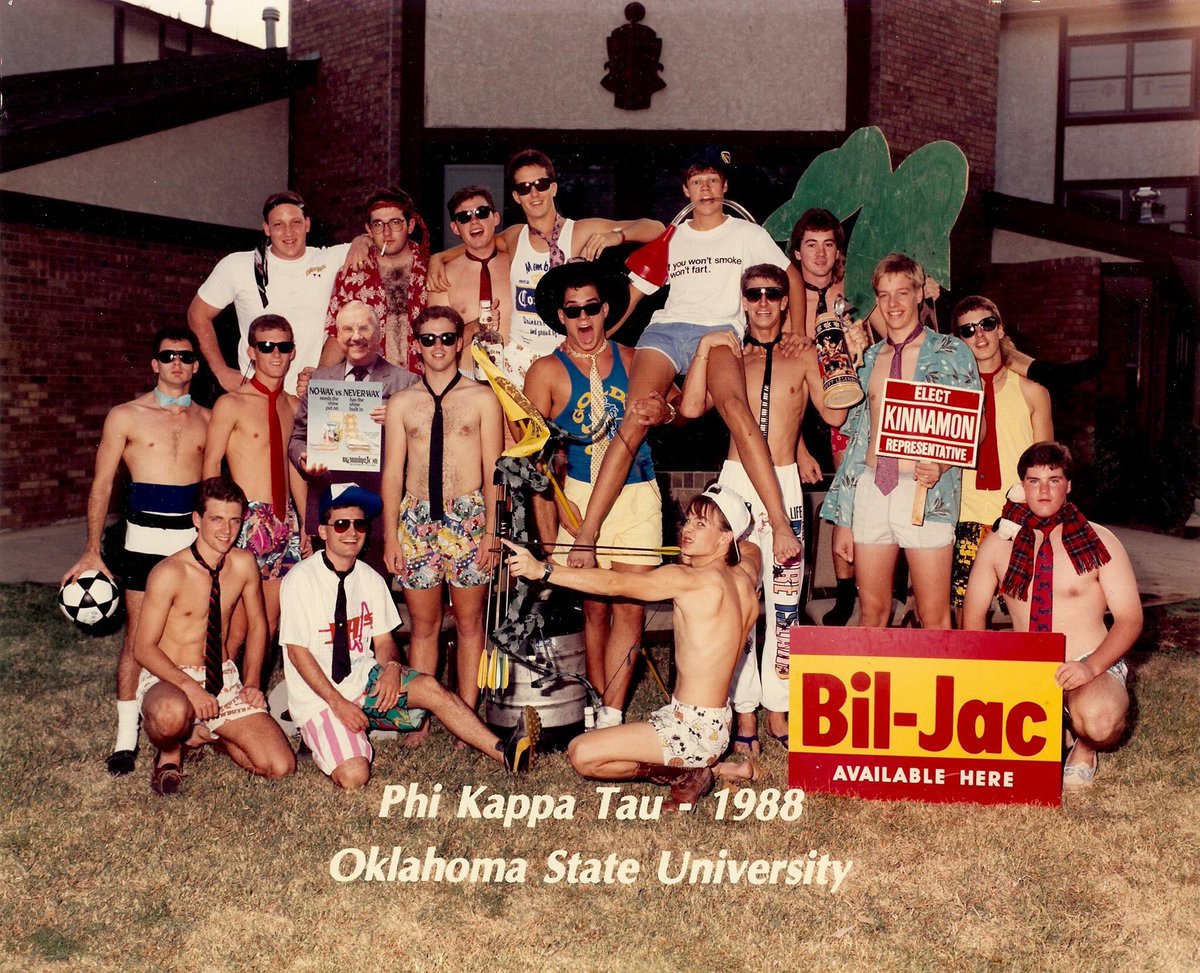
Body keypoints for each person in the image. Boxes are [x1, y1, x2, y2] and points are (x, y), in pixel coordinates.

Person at [569, 150, 802, 574]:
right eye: (697, 182)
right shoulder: (672, 237)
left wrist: (796, 334)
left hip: (717, 334)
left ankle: (781, 522)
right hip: (667, 330)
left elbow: (792, 279)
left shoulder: (747, 234)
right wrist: (593, 336)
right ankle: (587, 534)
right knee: (635, 418)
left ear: (725, 186)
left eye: (713, 180)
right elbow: (632, 298)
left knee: (735, 407)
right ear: (686, 190)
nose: (707, 189)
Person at [503, 486, 761, 810]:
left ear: (725, 538)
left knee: (582, 754)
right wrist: (718, 548)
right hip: (719, 725)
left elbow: (615, 584)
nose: (688, 529)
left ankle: (687, 774)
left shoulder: (689, 580)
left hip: (691, 729)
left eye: (702, 525)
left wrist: (544, 570)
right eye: (690, 520)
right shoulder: (745, 576)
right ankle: (714, 767)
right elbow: (752, 549)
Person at [678, 264, 848, 751]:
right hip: (734, 487)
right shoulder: (732, 355)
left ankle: (780, 707)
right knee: (737, 602)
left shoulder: (801, 354)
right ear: (744, 300)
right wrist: (706, 348)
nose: (765, 302)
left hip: (785, 484)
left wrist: (832, 352)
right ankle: (745, 712)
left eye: (774, 293)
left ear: (785, 301)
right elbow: (690, 409)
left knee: (786, 606)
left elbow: (836, 411)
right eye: (755, 294)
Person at [281, 483, 540, 789]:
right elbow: (298, 653)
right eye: (341, 524)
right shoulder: (301, 579)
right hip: (322, 700)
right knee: (354, 776)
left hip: (363, 681)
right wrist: (339, 704)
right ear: (323, 531)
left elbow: (386, 642)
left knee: (430, 686)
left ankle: (508, 753)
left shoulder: (370, 578)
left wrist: (391, 668)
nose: (351, 532)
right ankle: (319, 740)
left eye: (359, 524)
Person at [523, 261, 665, 729]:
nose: (584, 319)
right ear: (560, 316)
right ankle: (598, 704)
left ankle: (612, 712)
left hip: (637, 492)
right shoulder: (544, 371)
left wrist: (665, 412)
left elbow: (680, 407)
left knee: (631, 604)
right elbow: (532, 458)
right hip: (578, 498)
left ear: (605, 310)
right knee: (595, 609)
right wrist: (559, 516)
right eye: (572, 311)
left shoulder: (635, 358)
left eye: (591, 308)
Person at [62, 328, 210, 776]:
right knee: (137, 639)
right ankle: (127, 739)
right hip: (143, 541)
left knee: (193, 634)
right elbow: (102, 485)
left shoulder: (207, 417)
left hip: (190, 544)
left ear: (197, 366)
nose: (176, 364)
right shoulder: (125, 416)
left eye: (185, 357)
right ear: (154, 364)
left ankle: (193, 725)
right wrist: (91, 550)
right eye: (167, 356)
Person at [963, 442, 1141, 790]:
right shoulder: (998, 544)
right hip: (1024, 663)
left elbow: (1130, 619)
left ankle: (1084, 746)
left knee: (1101, 720)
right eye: (1034, 481)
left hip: (1088, 662)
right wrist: (987, 672)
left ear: (1068, 485)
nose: (1044, 490)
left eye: (1054, 480)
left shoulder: (1099, 540)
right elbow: (973, 618)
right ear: (1021, 485)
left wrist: (1090, 667)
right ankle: (1053, 728)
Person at [820, 253, 980, 631]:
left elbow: (976, 427)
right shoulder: (870, 357)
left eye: (902, 292)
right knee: (872, 613)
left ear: (920, 293)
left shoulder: (952, 352)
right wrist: (846, 518)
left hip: (926, 494)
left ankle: (930, 691)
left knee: (933, 616)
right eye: (884, 294)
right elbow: (853, 441)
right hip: (873, 492)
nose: (893, 304)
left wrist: (941, 464)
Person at [428, 148, 664, 385]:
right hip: (518, 361)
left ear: (553, 187)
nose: (533, 193)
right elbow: (479, 244)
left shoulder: (578, 231)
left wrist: (619, 236)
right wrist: (438, 258)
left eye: (541, 184)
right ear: (516, 196)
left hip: (566, 356)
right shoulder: (514, 236)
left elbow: (655, 228)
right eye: (524, 187)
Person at [133, 477, 296, 796]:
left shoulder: (244, 563)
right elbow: (143, 647)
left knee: (280, 767)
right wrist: (190, 689)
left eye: (234, 520)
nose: (226, 530)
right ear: (197, 519)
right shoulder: (169, 572)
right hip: (170, 677)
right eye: (216, 519)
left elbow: (259, 625)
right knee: (170, 716)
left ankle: (205, 735)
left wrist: (251, 683)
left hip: (222, 677)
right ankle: (170, 752)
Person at [381, 307, 502, 725]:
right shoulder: (402, 403)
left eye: (447, 338)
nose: (438, 347)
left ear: (460, 342)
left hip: (468, 517)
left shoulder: (483, 398)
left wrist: (491, 530)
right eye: (429, 339)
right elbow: (392, 472)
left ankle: (465, 713)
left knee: (470, 624)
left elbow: (494, 471)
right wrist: (392, 536)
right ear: (417, 345)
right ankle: (420, 716)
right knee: (423, 624)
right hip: (415, 518)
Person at [188, 190, 364, 395]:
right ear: (266, 229)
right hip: (256, 396)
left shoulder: (329, 259)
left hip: (309, 395)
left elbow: (377, 239)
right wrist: (221, 371)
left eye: (296, 222)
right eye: (278, 224)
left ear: (307, 224)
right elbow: (197, 314)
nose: (288, 232)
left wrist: (361, 240)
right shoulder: (237, 265)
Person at [289, 301, 419, 575]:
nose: (356, 336)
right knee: (326, 594)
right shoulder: (321, 382)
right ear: (337, 336)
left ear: (379, 333)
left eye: (364, 328)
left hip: (380, 507)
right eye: (347, 329)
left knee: (371, 593)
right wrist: (303, 457)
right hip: (328, 503)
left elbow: (423, 444)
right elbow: (298, 437)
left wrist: (398, 422)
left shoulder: (406, 383)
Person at [204, 315, 307, 649]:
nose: (275, 354)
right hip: (246, 520)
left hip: (284, 521)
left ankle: (250, 691)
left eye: (283, 346)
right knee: (236, 625)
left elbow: (294, 469)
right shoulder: (231, 403)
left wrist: (305, 522)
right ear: (251, 352)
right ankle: (221, 692)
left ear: (293, 352)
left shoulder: (293, 405)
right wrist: (215, 522)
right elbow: (211, 464)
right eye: (266, 347)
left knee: (271, 621)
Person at [951, 297, 1053, 624]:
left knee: (1024, 617)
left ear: (1000, 329)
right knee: (968, 618)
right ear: (959, 340)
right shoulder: (952, 393)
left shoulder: (1032, 391)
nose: (979, 335)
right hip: (965, 516)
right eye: (968, 330)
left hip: (1018, 519)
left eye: (987, 324)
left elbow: (1048, 464)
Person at [320, 187, 430, 375]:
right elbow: (336, 334)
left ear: (410, 225)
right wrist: (320, 377)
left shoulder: (431, 270)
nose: (387, 232)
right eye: (378, 224)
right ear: (369, 230)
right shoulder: (353, 274)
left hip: (422, 386)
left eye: (395, 222)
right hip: (370, 390)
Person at [426, 185, 512, 375]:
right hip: (469, 380)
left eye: (481, 212)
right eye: (464, 217)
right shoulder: (443, 277)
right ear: (455, 228)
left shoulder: (516, 264)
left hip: (519, 376)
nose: (474, 221)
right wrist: (475, 326)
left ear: (495, 218)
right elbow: (438, 341)